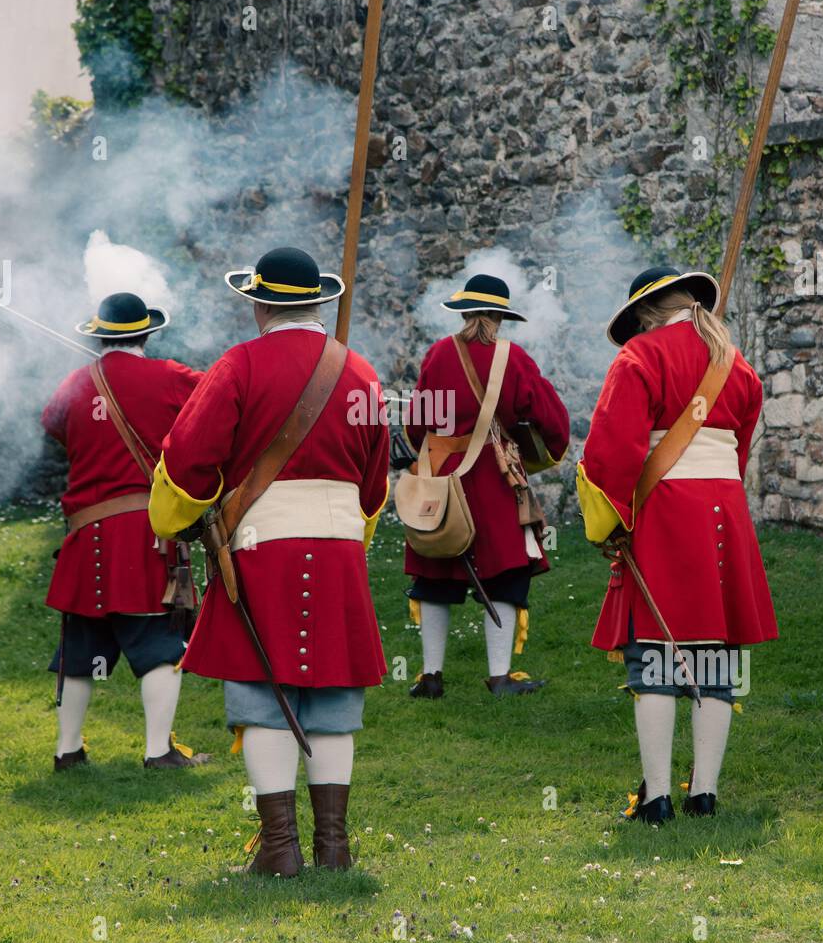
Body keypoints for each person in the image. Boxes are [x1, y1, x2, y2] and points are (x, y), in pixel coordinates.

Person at [148, 246, 389, 877]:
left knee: (260, 694)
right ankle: (333, 848)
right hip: (338, 551)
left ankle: (281, 852)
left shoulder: (236, 366)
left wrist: (177, 517)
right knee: (335, 695)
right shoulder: (361, 372)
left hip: (260, 551)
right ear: (317, 302)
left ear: (259, 305)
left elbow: (188, 460)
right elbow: (373, 484)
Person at [577, 265, 778, 822]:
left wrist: (609, 520)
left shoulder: (639, 358)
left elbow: (610, 455)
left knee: (657, 657)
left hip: (665, 510)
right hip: (725, 512)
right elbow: (736, 456)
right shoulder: (737, 366)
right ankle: (704, 796)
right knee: (716, 654)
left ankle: (659, 797)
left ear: (645, 314)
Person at [43, 291, 205, 772]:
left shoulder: (76, 382)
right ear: (147, 333)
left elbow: (53, 425)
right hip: (143, 534)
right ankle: (158, 752)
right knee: (159, 645)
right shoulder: (173, 378)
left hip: (86, 534)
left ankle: (67, 750)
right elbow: (214, 409)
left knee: (81, 651)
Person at [403, 272, 570, 698]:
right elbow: (553, 421)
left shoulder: (438, 354)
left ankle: (430, 677)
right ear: (500, 316)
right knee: (506, 575)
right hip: (493, 481)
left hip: (442, 479)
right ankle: (499, 677)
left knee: (436, 572)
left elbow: (418, 423)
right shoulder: (514, 358)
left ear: (464, 312)